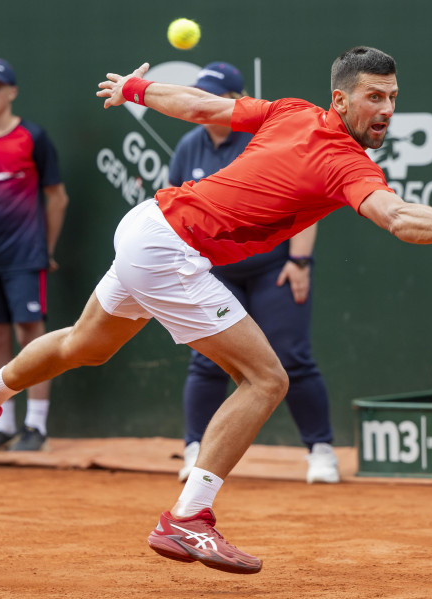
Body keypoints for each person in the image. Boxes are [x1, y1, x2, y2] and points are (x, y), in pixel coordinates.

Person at [0, 46, 432, 575]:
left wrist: (138, 87)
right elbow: (397, 218)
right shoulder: (346, 162)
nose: (387, 110)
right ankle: (187, 517)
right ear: (341, 100)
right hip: (170, 249)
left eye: (393, 98)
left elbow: (204, 106)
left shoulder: (292, 113)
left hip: (147, 226)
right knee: (265, 379)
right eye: (374, 97)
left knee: (86, 344)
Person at [169, 62, 339, 485]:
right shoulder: (189, 146)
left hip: (272, 268)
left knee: (292, 358)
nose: (206, 103)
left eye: (217, 96)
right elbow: (176, 209)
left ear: (236, 102)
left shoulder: (261, 138)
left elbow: (303, 203)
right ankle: (195, 449)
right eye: (201, 94)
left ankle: (320, 450)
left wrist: (299, 262)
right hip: (214, 272)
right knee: (206, 361)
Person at [0, 57, 69, 452]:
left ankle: (35, 424)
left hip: (27, 254)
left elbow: (57, 198)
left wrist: (46, 249)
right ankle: (1, 423)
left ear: (12, 92)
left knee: (30, 336)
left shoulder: (33, 138)